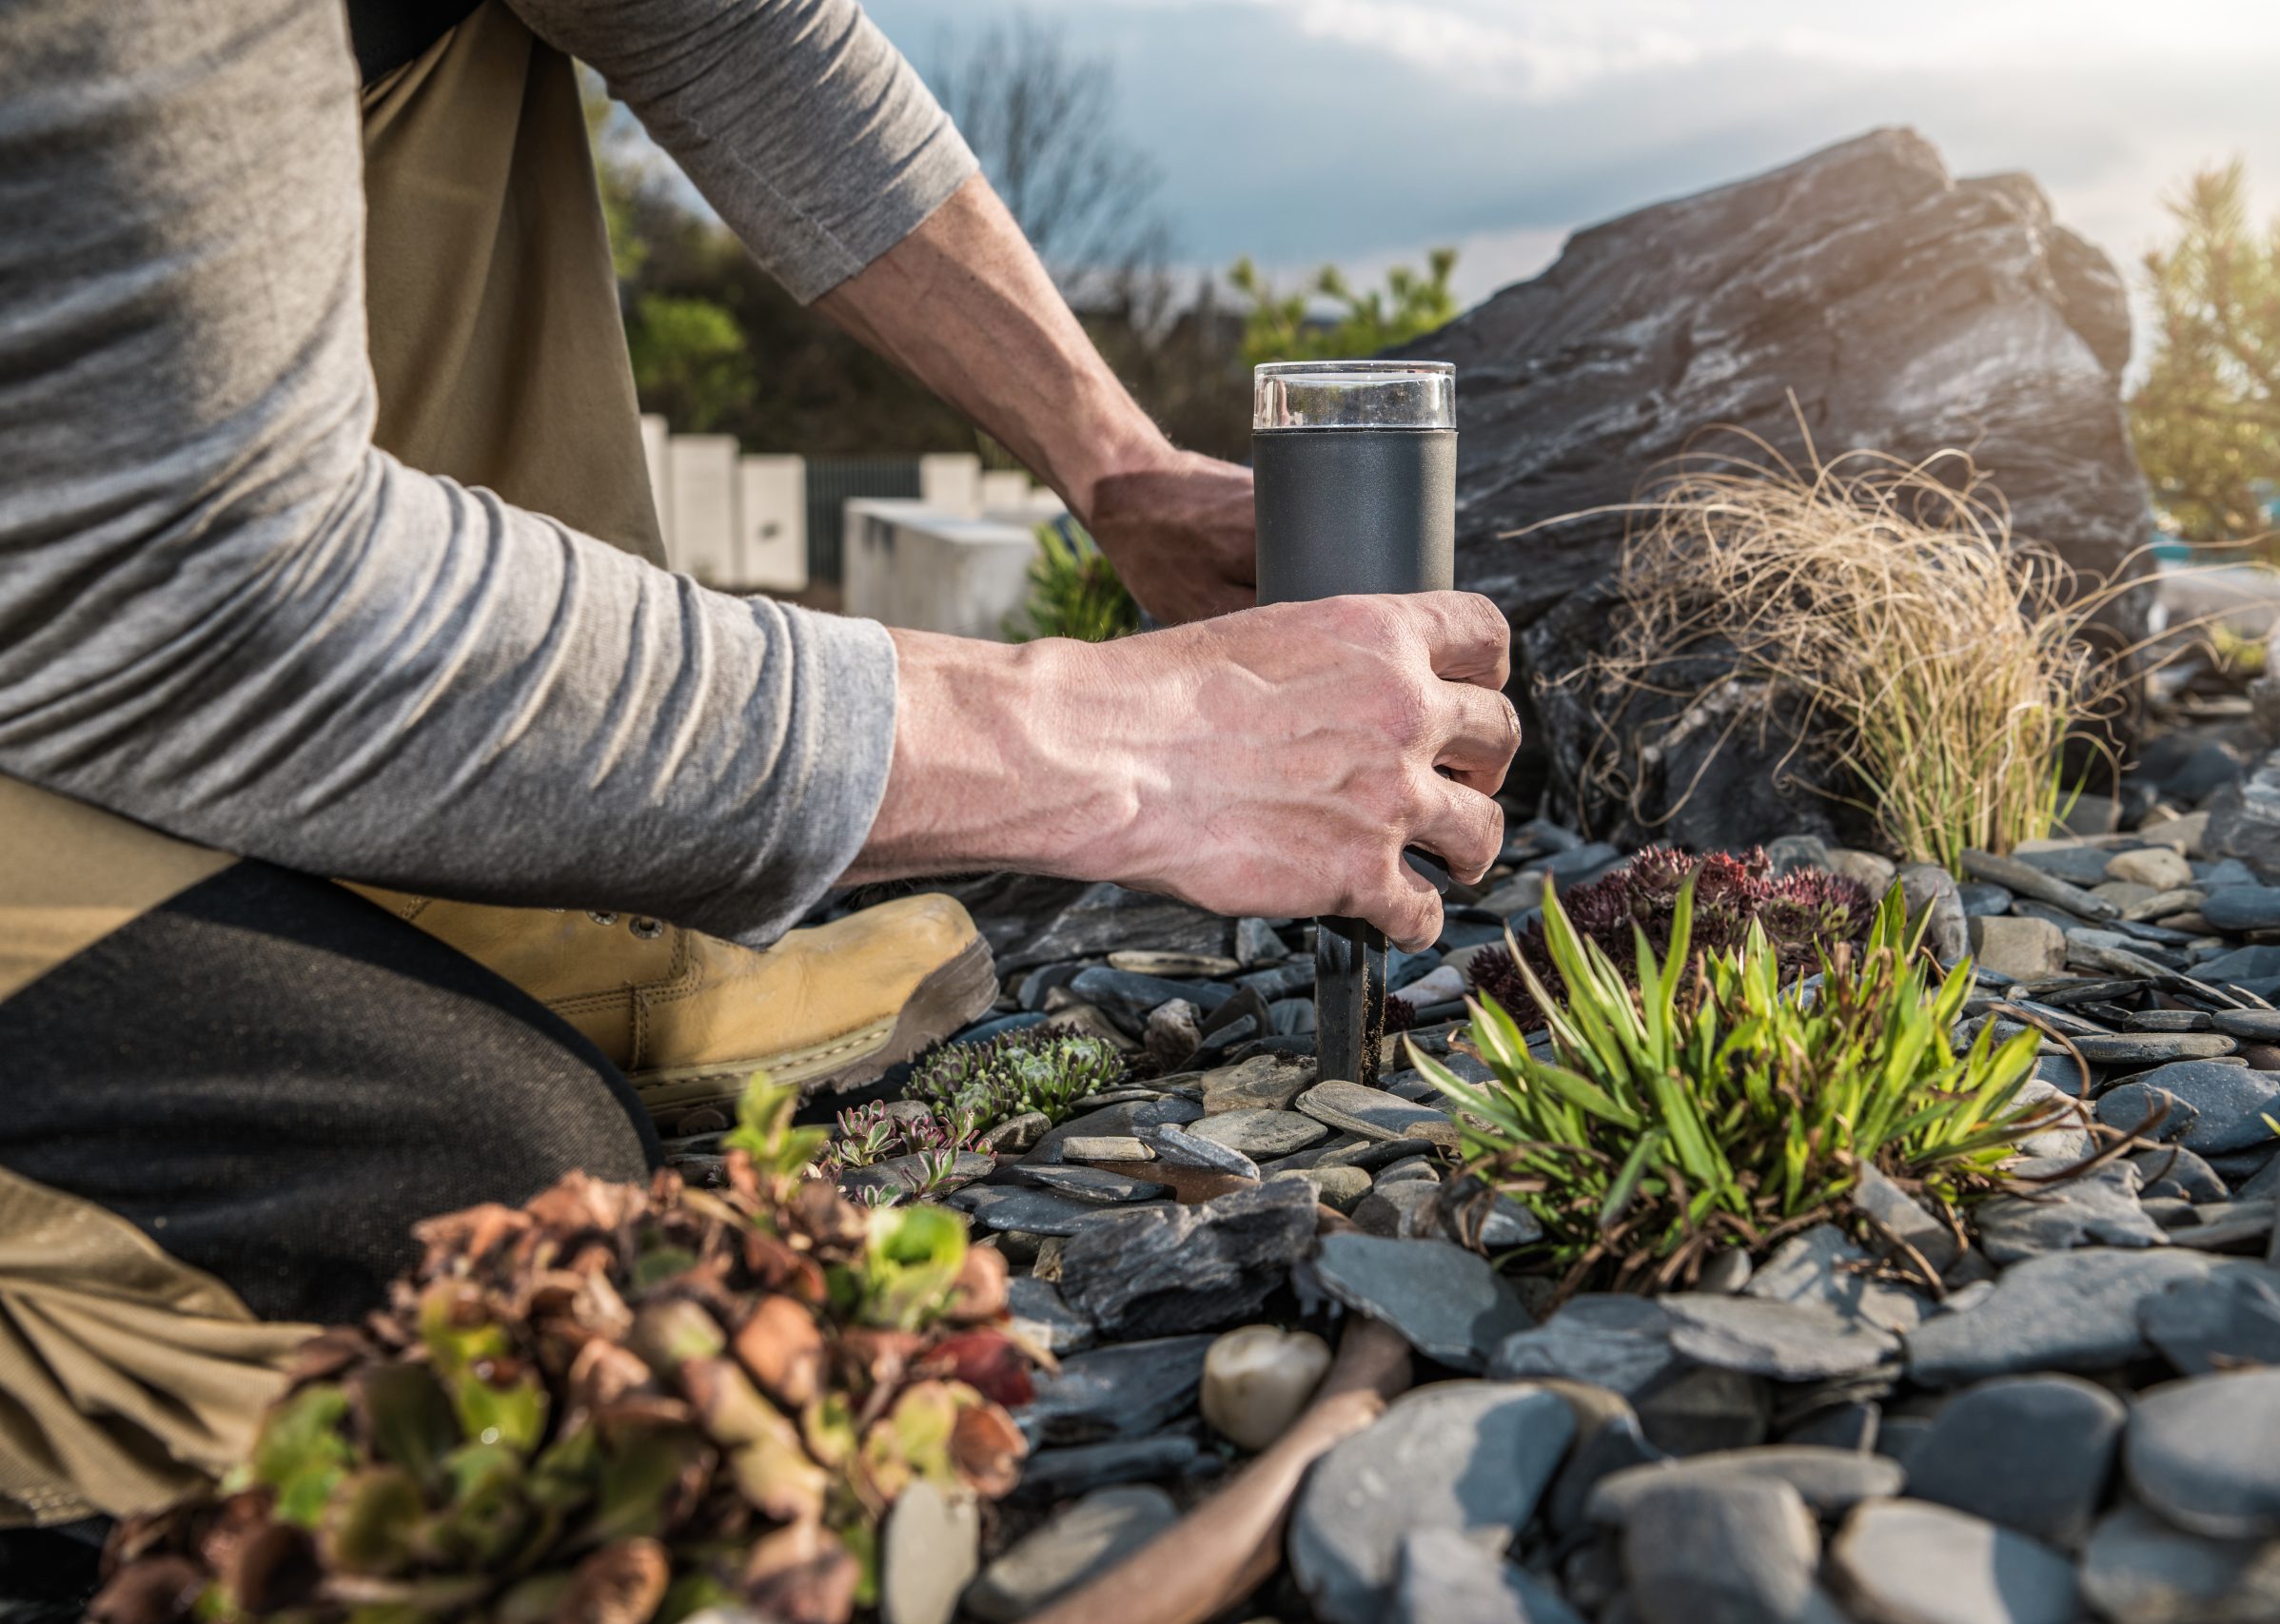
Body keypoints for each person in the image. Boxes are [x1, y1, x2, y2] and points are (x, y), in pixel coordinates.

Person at [0, 0, 1516, 1539]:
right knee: (451, 1230)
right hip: (122, 581)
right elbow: (202, 583)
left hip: (101, 533)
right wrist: (1116, 744)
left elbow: (722, 28)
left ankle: (471, 895)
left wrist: (1115, 467)